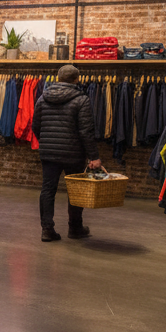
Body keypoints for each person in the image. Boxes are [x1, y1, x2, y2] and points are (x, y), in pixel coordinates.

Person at [33, 64, 102, 242]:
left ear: (58, 78)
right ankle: (75, 228)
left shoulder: (43, 97)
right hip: (74, 153)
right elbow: (86, 131)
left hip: (48, 152)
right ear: (77, 79)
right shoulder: (81, 99)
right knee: (75, 191)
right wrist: (94, 156)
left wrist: (46, 141)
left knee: (48, 190)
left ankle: (47, 230)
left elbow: (35, 126)